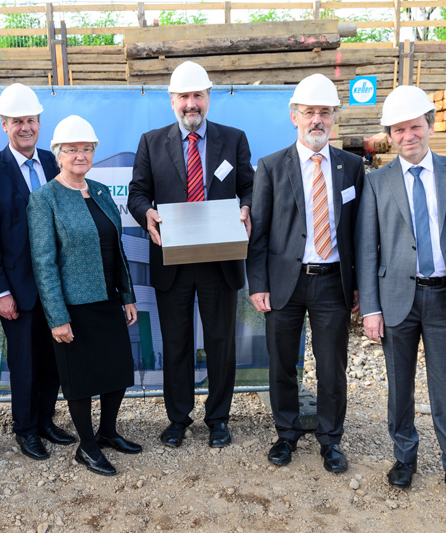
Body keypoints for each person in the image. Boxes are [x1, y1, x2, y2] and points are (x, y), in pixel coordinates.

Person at [355, 85, 446, 512]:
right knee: (399, 389)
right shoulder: (377, 182)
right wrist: (372, 308)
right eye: (398, 130)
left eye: (415, 127)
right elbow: (367, 248)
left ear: (430, 126)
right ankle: (404, 458)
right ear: (390, 136)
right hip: (398, 299)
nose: (408, 136)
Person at [127, 61, 254, 449]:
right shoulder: (151, 142)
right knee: (177, 343)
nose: (191, 104)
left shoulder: (233, 139)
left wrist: (248, 208)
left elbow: (250, 187)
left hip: (220, 263)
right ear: (172, 101)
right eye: (184, 96)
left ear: (208, 98)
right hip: (173, 263)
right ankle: (178, 419)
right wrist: (145, 213)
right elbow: (136, 194)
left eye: (198, 95)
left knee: (221, 343)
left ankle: (218, 419)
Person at [246, 74, 364, 473]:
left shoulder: (352, 167)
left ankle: (331, 440)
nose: (318, 119)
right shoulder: (271, 166)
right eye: (310, 112)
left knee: (332, 365)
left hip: (333, 282)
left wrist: (360, 285)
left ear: (334, 119)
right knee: (281, 364)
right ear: (294, 116)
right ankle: (286, 434)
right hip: (284, 283)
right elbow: (258, 232)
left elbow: (360, 234)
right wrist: (258, 283)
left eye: (325, 113)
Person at [28, 115, 140, 477]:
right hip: (74, 306)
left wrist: (127, 295)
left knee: (117, 371)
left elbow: (116, 249)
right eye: (72, 149)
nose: (80, 155)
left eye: (87, 148)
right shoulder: (44, 199)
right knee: (80, 380)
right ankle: (87, 447)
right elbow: (44, 262)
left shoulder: (102, 191)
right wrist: (57, 317)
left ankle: (108, 433)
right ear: (58, 154)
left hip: (109, 300)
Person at [0, 83, 75, 461]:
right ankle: (25, 429)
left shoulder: (54, 163)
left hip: (57, 286)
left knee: (53, 359)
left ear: (39, 123)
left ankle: (46, 420)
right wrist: (1, 292)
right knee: (24, 363)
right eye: (17, 122)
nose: (26, 128)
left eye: (31, 120)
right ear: (4, 125)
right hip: (18, 289)